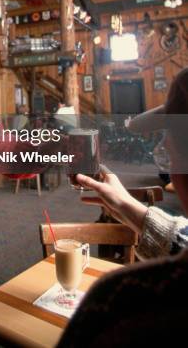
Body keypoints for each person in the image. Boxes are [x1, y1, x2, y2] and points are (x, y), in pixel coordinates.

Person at [76, 67, 188, 259]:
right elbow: (182, 243)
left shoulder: (124, 287)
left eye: (175, 157)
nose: (165, 149)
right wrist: (125, 205)